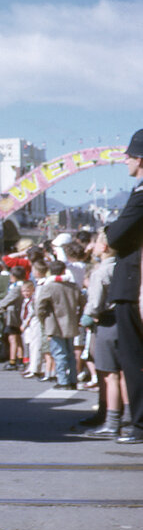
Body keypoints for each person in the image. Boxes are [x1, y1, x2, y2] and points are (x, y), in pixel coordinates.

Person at [105, 128, 143, 444]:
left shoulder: (141, 193)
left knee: (133, 359)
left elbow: (116, 235)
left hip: (133, 284)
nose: (125, 161)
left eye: (129, 156)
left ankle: (140, 424)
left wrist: (110, 229)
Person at [80, 231, 127, 437]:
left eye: (96, 243)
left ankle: (111, 420)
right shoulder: (124, 266)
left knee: (109, 375)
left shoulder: (101, 272)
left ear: (105, 247)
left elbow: (95, 305)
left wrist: (87, 316)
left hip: (106, 322)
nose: (92, 247)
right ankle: (128, 418)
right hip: (125, 320)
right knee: (124, 373)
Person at [37, 260, 83, 390]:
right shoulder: (73, 286)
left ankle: (63, 381)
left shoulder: (49, 287)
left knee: (59, 354)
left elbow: (39, 307)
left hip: (54, 324)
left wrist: (44, 320)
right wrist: (78, 318)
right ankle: (73, 379)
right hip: (71, 323)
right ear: (64, 271)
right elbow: (83, 303)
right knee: (71, 354)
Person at [0, 265, 26, 371]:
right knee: (18, 339)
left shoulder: (16, 288)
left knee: (12, 339)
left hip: (14, 316)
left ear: (14, 276)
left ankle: (12, 361)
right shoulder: (22, 286)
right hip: (18, 315)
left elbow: (6, 301)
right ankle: (20, 360)